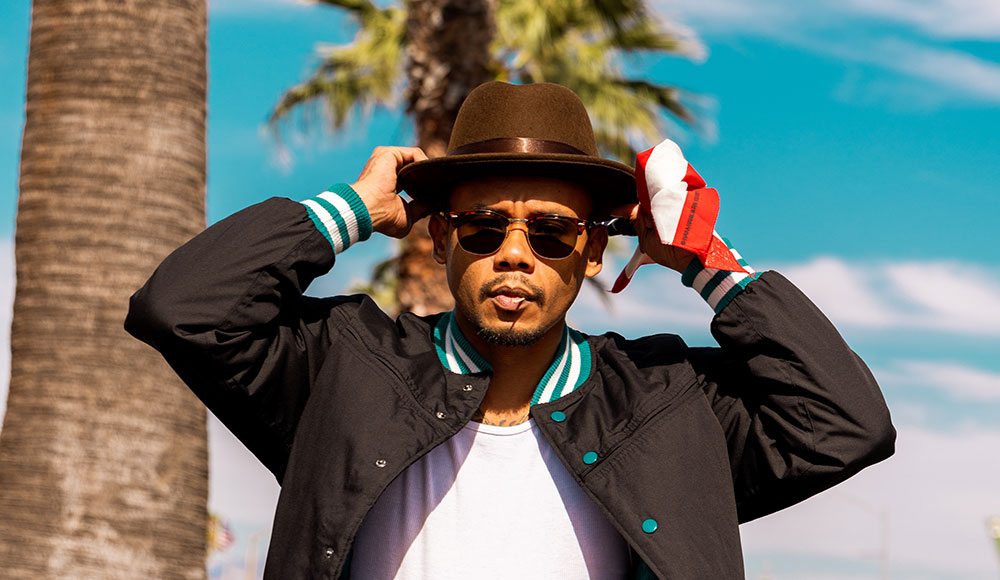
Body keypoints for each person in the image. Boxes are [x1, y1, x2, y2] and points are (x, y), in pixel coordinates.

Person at [125, 82, 895, 580]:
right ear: (441, 238)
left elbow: (845, 424)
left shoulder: (667, 403)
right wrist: (353, 208)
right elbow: (184, 308)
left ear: (592, 252)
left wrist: (708, 264)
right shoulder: (346, 370)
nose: (515, 254)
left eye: (552, 233)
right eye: (483, 226)